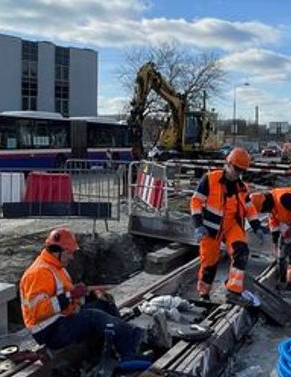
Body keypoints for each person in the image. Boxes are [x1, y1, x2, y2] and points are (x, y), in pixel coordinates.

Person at [20, 227, 170, 358]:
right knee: (93, 317)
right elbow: (37, 311)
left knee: (105, 305)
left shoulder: (56, 267)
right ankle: (141, 337)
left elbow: (66, 299)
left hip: (62, 319)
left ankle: (125, 349)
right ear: (59, 251)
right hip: (50, 332)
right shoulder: (39, 273)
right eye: (70, 253)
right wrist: (70, 295)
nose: (72, 258)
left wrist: (90, 295)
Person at [189, 146, 266, 304]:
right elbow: (196, 201)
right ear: (228, 164)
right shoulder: (210, 179)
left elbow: (249, 207)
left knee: (241, 252)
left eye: (241, 171)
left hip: (231, 226)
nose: (237, 174)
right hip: (210, 228)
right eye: (236, 169)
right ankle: (203, 294)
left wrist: (257, 225)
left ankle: (233, 291)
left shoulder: (241, 187)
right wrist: (198, 224)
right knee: (209, 264)